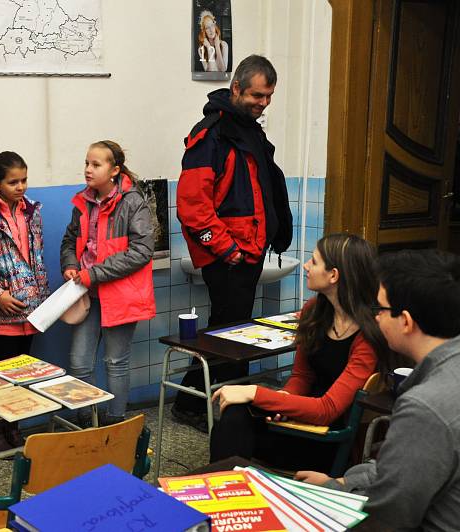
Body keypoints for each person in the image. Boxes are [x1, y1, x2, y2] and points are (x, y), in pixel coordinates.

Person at [296, 249, 460, 530]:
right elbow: (412, 468)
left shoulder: (424, 407)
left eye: (380, 309)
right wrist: (343, 483)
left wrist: (331, 494)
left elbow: (386, 518)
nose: (376, 319)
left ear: (406, 321)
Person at [173, 54, 293, 431]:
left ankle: (226, 407)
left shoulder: (250, 131)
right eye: (257, 95)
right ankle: (194, 405)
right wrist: (227, 249)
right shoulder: (212, 135)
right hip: (228, 254)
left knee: (233, 330)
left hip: (249, 250)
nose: (263, 103)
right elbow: (192, 207)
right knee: (227, 333)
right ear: (236, 88)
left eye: (269, 96)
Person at [209, 233, 387, 472]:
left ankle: (221, 492)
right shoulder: (314, 311)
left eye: (313, 262)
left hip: (327, 439)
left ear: (333, 275)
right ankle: (221, 495)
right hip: (300, 421)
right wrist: (283, 402)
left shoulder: (367, 335)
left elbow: (327, 410)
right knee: (234, 416)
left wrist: (255, 392)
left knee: (234, 422)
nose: (306, 266)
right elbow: (301, 378)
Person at [60, 140, 156, 426]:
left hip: (121, 295)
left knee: (116, 363)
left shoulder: (133, 202)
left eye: (96, 164)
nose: (88, 170)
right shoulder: (82, 202)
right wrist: (70, 265)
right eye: (87, 163)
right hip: (86, 293)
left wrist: (94, 273)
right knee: (79, 363)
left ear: (114, 170)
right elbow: (69, 241)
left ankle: (116, 425)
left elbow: (141, 251)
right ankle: (87, 423)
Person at [0, 151, 49, 452]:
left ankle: (13, 429)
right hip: (1, 315)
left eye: (24, 180)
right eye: (13, 182)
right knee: (0, 378)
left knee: (22, 376)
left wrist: (41, 301)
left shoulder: (32, 213)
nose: (21, 187)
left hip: (30, 313)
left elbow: (38, 258)